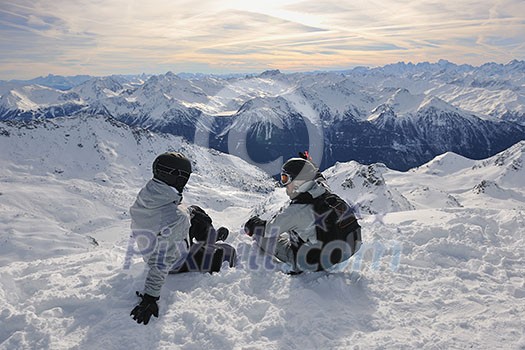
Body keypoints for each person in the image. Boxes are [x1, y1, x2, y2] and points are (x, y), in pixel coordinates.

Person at [128, 152, 234, 325]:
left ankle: (209, 239)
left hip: (152, 246)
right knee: (227, 252)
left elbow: (168, 215)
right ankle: (213, 245)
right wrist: (150, 297)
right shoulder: (177, 218)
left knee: (194, 211)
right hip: (176, 262)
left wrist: (188, 214)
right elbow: (162, 261)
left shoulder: (147, 194)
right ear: (179, 179)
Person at [244, 157, 361, 274]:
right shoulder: (322, 190)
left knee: (262, 237)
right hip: (349, 249)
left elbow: (268, 230)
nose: (284, 184)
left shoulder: (295, 211)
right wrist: (308, 165)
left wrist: (253, 225)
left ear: (298, 182)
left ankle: (299, 264)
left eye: (285, 178)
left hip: (313, 260)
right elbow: (319, 178)